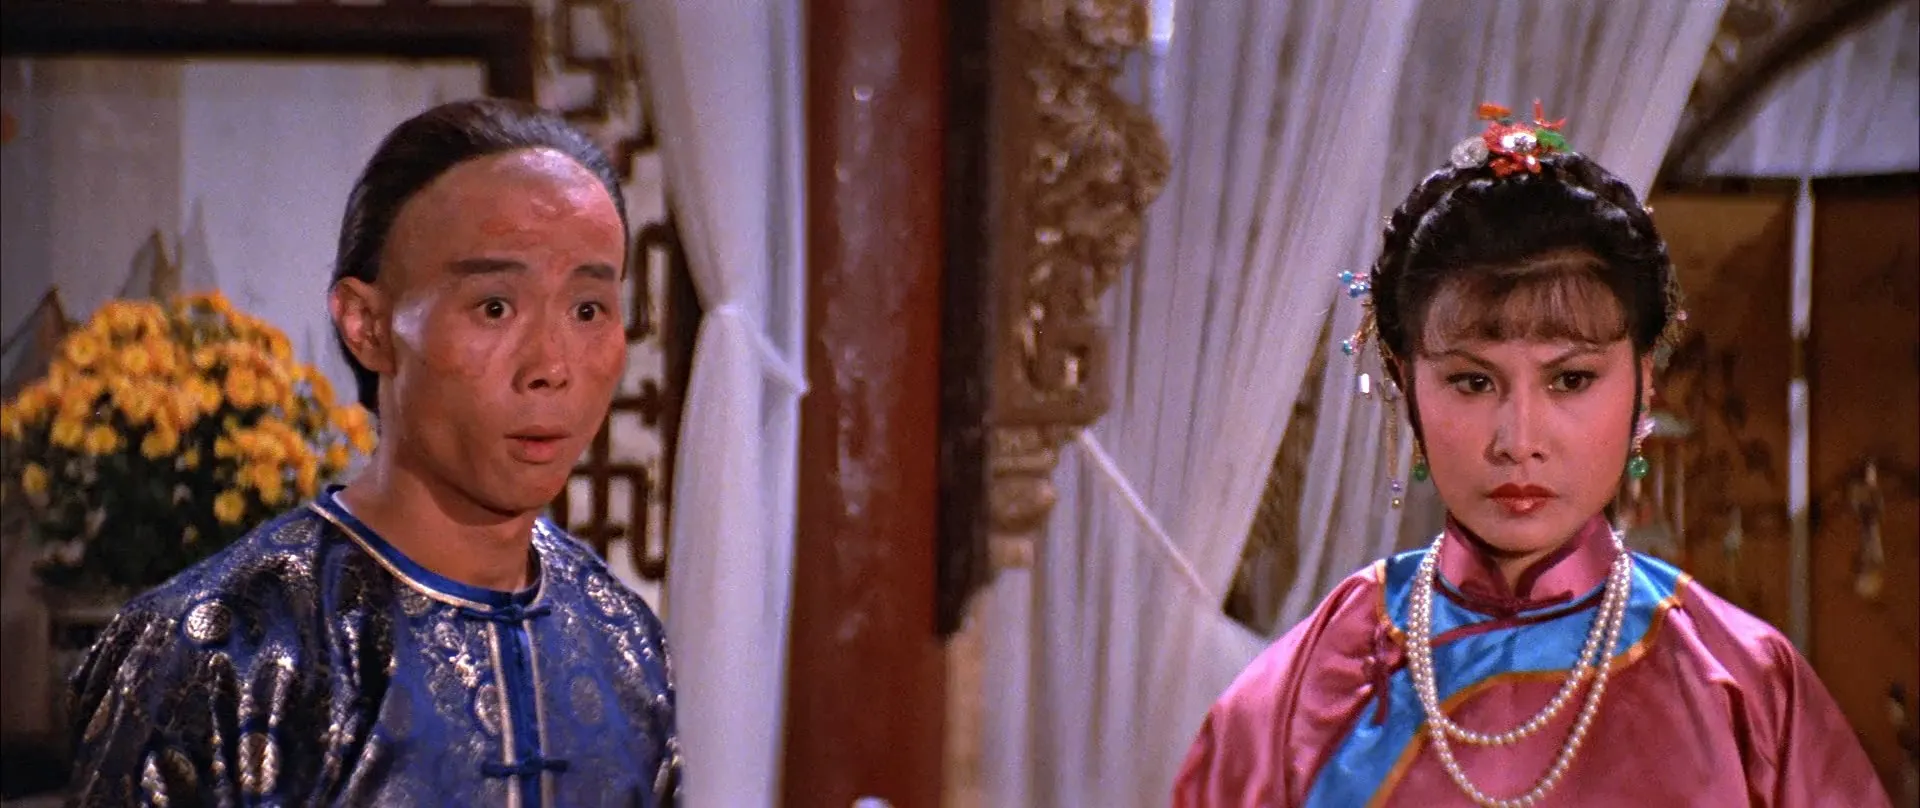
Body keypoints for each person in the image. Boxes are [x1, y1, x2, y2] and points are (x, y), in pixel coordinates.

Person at [1172, 103, 1889, 807]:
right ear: (1404, 381)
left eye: (1570, 380)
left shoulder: (1746, 691)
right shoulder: (1308, 691)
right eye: (1472, 382)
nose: (1518, 441)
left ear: (1643, 385)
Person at [66, 99, 682, 807]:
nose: (550, 367)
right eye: (494, 307)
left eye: (587, 310)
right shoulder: (223, 653)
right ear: (368, 325)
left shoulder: (622, 639)